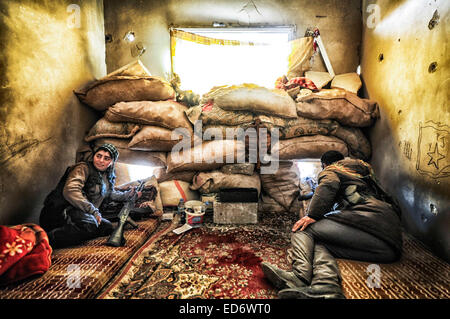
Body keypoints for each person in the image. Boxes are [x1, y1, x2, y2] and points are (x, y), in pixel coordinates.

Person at [261, 150, 402, 299]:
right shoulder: (364, 174)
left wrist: (312, 215)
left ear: (324, 164)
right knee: (319, 242)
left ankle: (298, 277)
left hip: (371, 225)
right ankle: (326, 287)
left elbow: (329, 183)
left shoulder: (332, 169)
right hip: (388, 248)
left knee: (302, 229)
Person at [40, 143, 138, 248]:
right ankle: (45, 241)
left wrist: (128, 195)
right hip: (62, 211)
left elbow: (109, 194)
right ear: (94, 156)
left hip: (82, 212)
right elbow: (70, 191)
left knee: (107, 227)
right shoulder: (82, 168)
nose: (101, 160)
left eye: (106, 158)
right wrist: (93, 211)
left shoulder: (107, 174)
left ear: (112, 162)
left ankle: (76, 234)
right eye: (98, 156)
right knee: (90, 224)